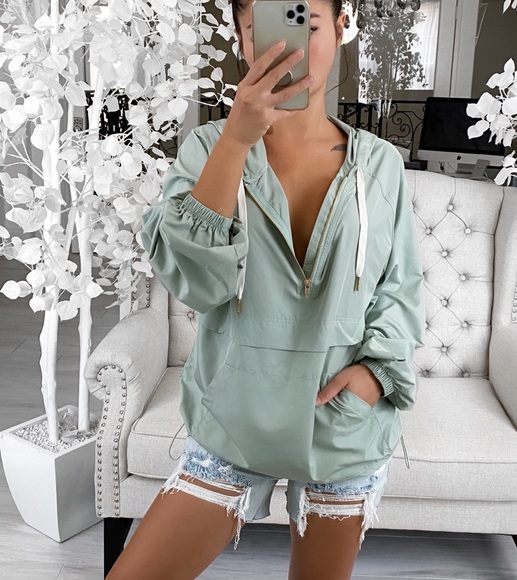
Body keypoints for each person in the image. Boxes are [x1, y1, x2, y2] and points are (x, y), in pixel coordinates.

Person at [106, 0, 425, 578]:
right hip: (233, 419)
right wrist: (235, 140)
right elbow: (198, 285)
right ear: (242, 42)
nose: (289, 47)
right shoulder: (207, 148)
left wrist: (376, 375)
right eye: (265, 29)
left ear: (342, 28)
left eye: (309, 24)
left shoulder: (380, 164)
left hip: (342, 425)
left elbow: (399, 286)